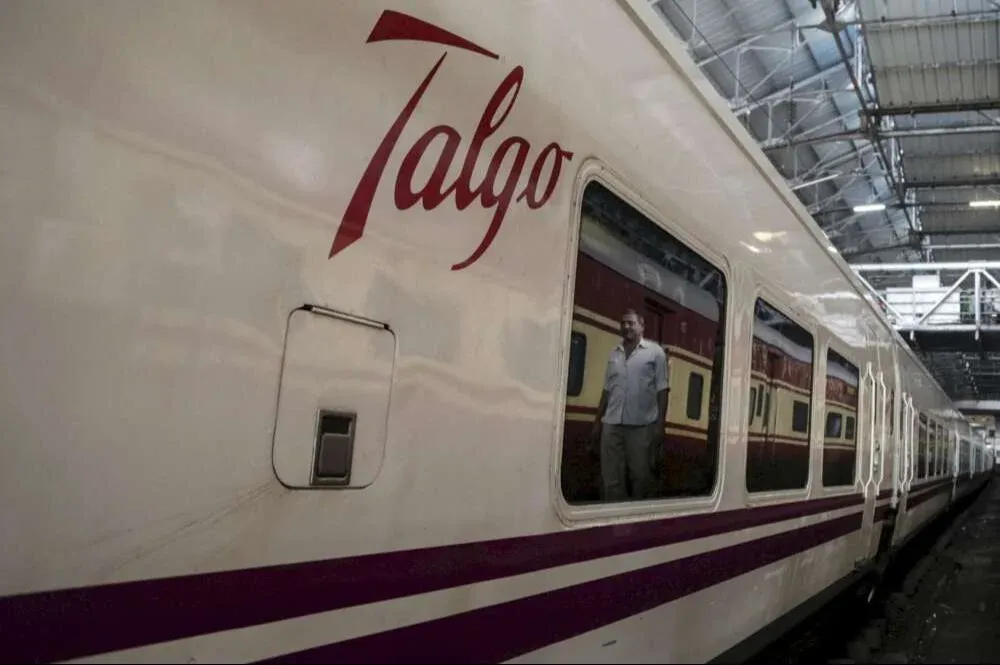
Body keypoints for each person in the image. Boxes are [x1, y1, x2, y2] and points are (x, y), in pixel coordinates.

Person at [590, 309, 669, 501]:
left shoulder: (655, 353)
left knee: (640, 477)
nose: (626, 326)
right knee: (611, 477)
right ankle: (614, 518)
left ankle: (637, 519)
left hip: (641, 426)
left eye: (631, 323)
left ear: (642, 326)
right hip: (612, 422)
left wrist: (660, 424)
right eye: (623, 323)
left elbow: (663, 390)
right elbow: (608, 389)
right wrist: (598, 420)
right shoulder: (614, 354)